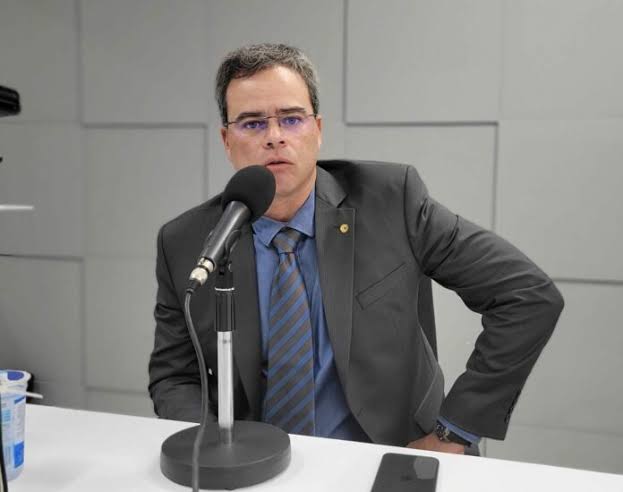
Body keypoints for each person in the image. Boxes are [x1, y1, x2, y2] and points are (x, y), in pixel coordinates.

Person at [148, 43, 564, 455]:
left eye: (291, 119)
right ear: (226, 140)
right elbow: (174, 376)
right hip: (258, 466)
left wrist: (452, 434)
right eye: (253, 123)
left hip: (394, 456)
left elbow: (527, 295)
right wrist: (214, 450)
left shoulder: (391, 201)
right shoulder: (186, 242)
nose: (274, 137)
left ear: (318, 129)